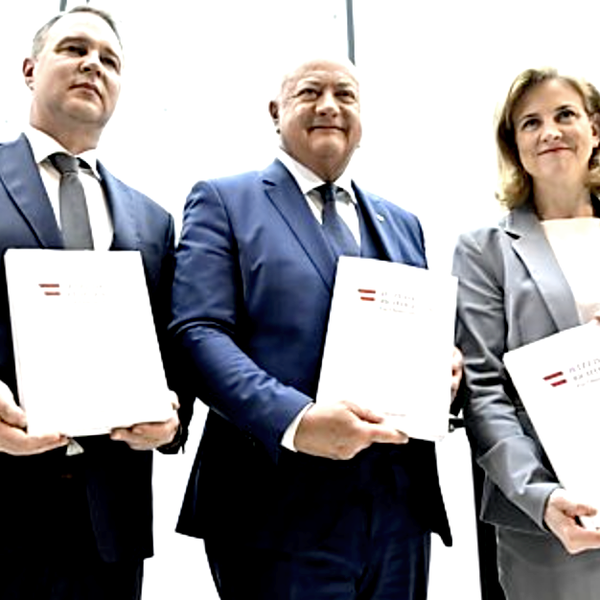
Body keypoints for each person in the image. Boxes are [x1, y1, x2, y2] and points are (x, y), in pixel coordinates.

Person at [171, 56, 462, 600]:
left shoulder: (403, 223)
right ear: (275, 112)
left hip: (398, 513)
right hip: (273, 511)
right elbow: (199, 332)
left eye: (345, 95)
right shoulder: (223, 201)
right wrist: (297, 420)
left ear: (363, 119)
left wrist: (443, 367)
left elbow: (418, 335)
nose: (329, 106)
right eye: (310, 92)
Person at [0, 6, 186, 599]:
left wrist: (172, 419)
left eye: (109, 60)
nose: (92, 65)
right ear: (29, 69)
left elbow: (171, 353)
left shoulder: (153, 221)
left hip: (109, 526)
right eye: (74, 49)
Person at [453, 66, 600, 600]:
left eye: (565, 114)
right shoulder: (484, 249)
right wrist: (539, 495)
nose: (550, 131)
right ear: (514, 144)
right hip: (552, 517)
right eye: (530, 122)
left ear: (594, 129)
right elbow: (483, 391)